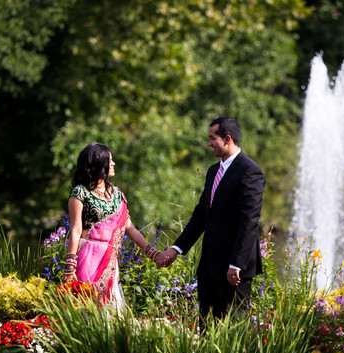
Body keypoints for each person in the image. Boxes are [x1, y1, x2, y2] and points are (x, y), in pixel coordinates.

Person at [157, 117, 265, 325]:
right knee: (207, 326)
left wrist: (236, 264)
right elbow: (201, 215)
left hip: (234, 270)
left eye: (212, 139)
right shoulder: (213, 171)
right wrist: (176, 249)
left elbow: (249, 221)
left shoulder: (250, 171)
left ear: (227, 139)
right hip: (209, 266)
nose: (208, 144)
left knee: (234, 329)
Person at [63, 143, 161, 311]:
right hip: (87, 256)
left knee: (111, 312)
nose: (113, 163)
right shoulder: (80, 192)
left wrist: (153, 253)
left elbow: (130, 229)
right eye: (110, 160)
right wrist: (70, 266)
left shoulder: (117, 194)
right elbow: (76, 230)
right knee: (86, 308)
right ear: (98, 163)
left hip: (109, 261)